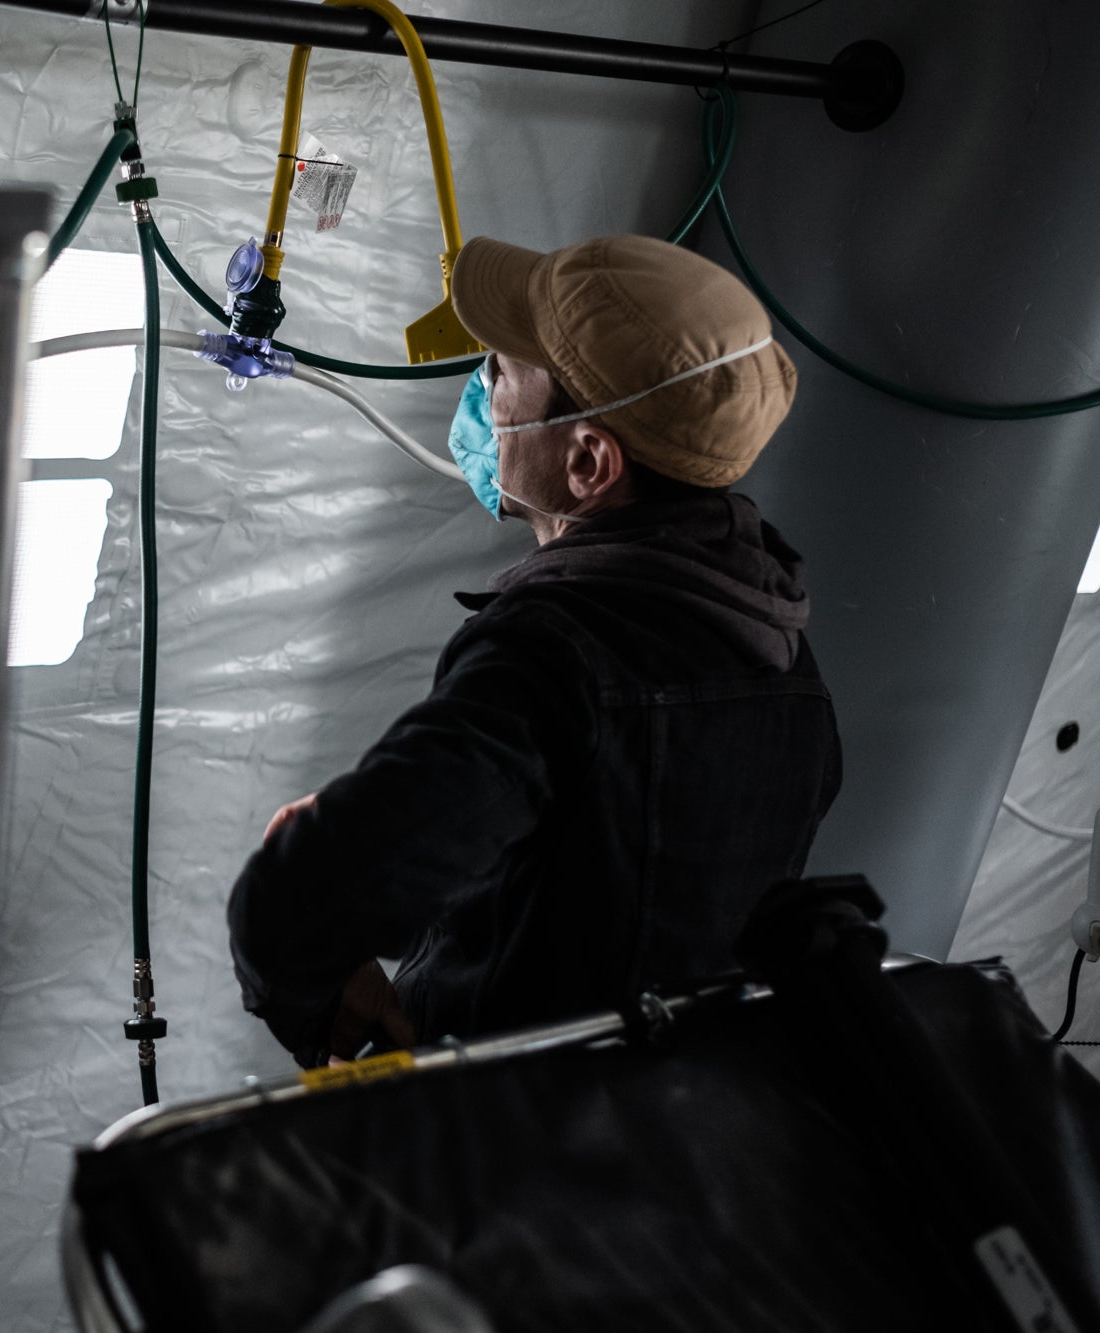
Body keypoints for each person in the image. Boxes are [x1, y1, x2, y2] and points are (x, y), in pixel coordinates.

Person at [227, 233, 842, 1068]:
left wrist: (318, 958)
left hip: (503, 1145)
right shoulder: (788, 662)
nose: (483, 390)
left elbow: (302, 897)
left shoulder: (551, 657)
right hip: (681, 1142)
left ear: (588, 460)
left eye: (501, 375)